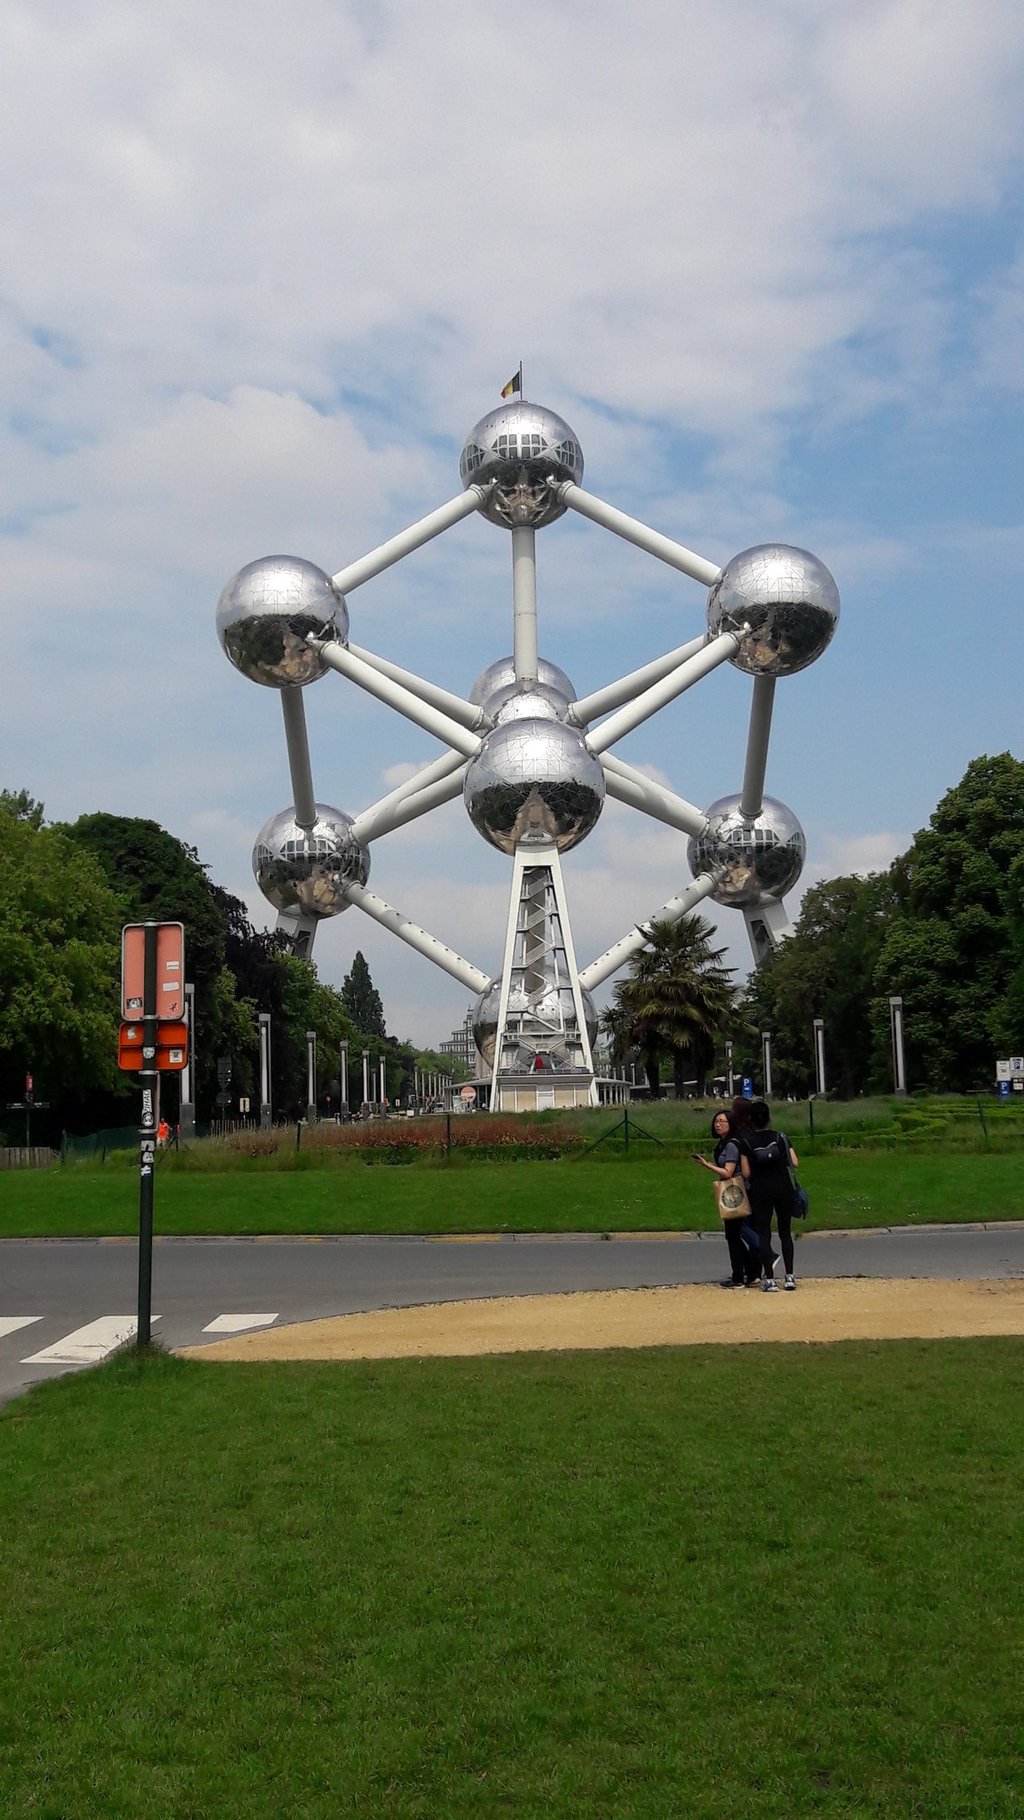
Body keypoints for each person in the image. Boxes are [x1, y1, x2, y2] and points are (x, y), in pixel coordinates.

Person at [693, 1110, 760, 1287]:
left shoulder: (731, 1145)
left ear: (730, 1124)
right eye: (716, 1121)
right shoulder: (723, 1143)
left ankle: (742, 1274)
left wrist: (706, 1165)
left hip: (735, 1191)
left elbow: (728, 1172)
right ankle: (749, 1273)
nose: (718, 1124)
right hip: (732, 1190)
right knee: (734, 1235)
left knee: (733, 1234)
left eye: (722, 1121)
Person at [741, 1100, 799, 1292]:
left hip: (761, 1190)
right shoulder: (780, 1137)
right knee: (785, 1232)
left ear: (750, 1119)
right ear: (769, 1118)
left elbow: (747, 1173)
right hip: (783, 1187)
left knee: (764, 1233)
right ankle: (789, 1276)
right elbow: (795, 1162)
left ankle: (770, 1280)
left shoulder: (747, 1141)